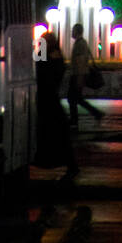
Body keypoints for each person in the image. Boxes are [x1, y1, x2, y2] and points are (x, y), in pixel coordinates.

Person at [34, 33, 79, 180]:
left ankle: (69, 165)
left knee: (54, 134)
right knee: (59, 135)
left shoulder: (44, 56)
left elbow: (38, 71)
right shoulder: (57, 56)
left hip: (46, 100)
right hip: (51, 98)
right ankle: (71, 165)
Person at [68, 22, 104, 127]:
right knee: (77, 98)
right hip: (78, 75)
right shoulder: (80, 43)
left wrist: (80, 78)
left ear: (77, 31)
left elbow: (81, 62)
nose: (72, 33)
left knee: (72, 98)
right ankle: (96, 113)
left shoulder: (80, 44)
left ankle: (74, 121)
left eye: (73, 31)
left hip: (78, 75)